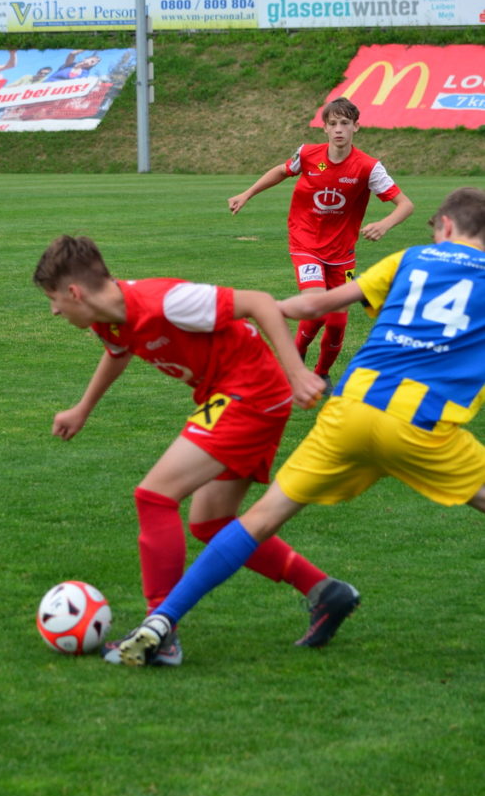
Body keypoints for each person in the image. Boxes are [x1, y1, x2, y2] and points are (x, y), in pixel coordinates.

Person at [117, 187, 485, 666]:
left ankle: (162, 620)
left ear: (446, 226)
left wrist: (268, 306)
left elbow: (317, 305)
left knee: (258, 520)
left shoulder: (411, 258)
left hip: (349, 410)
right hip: (422, 426)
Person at [33, 235, 360, 666]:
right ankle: (326, 592)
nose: (54, 311)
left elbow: (259, 302)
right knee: (211, 523)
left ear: (75, 292)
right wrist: (83, 408)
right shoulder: (107, 320)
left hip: (252, 393)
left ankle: (160, 632)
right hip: (230, 395)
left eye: (54, 299)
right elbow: (118, 351)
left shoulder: (168, 301)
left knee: (154, 496)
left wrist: (297, 372)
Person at [227, 97, 414, 390]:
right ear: (325, 128)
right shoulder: (308, 154)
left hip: (342, 252)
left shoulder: (368, 167)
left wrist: (384, 224)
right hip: (306, 242)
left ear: (356, 127)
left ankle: (321, 374)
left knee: (337, 323)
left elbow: (405, 204)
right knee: (315, 305)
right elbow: (281, 171)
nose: (339, 129)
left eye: (345, 123)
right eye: (333, 123)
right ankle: (294, 361)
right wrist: (246, 193)